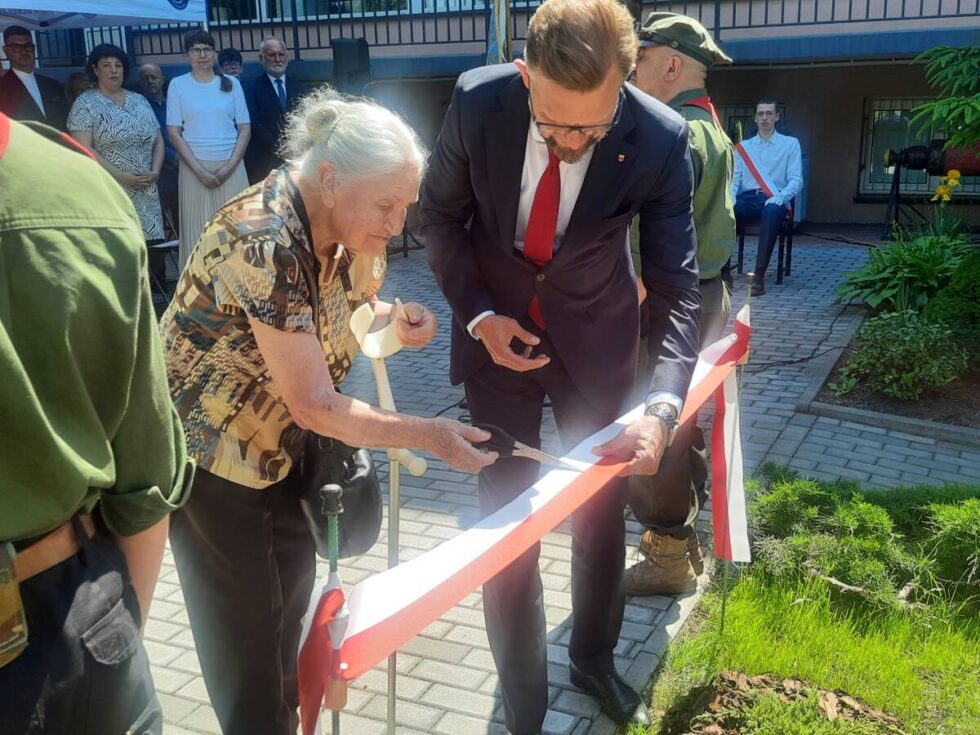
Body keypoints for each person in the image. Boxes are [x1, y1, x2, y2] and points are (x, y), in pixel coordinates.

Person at [160, 89, 495, 735]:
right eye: (386, 204)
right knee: (250, 659)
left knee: (287, 625)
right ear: (331, 178)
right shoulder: (260, 234)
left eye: (406, 205)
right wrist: (428, 434)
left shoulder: (344, 225)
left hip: (285, 453)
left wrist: (398, 320)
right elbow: (315, 401)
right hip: (215, 466)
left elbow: (347, 311)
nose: (398, 225)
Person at [419, 0, 701, 730]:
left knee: (600, 517)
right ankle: (523, 703)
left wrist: (662, 407)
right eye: (553, 124)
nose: (570, 142)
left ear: (626, 84)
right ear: (524, 75)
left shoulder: (661, 137)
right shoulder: (477, 102)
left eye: (592, 125)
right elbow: (440, 216)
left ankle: (593, 657)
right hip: (495, 340)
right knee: (505, 521)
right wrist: (479, 316)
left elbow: (676, 286)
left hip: (597, 343)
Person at [0, 111, 193, 735]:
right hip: (63, 618)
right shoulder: (77, 187)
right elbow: (145, 479)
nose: (393, 221)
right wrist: (116, 635)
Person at [626, 12, 736, 596]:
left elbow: (654, 241)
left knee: (655, 425)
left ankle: (666, 555)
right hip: (705, 294)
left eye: (639, 60)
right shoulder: (710, 127)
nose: (631, 70)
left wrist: (631, 300)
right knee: (683, 422)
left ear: (670, 64)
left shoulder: (676, 133)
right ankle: (683, 544)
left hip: (668, 301)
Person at [68, 44, 167, 289]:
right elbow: (84, 148)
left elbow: (159, 141)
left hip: (146, 190)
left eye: (118, 65)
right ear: (95, 69)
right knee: (119, 257)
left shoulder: (139, 100)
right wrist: (121, 176)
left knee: (150, 257)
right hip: (111, 190)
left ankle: (150, 308)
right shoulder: (85, 103)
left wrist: (155, 170)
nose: (114, 70)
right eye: (106, 65)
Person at [166, 30, 251, 271]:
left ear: (214, 54)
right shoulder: (177, 85)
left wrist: (229, 167)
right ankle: (198, 293)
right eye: (196, 50)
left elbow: (244, 129)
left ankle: (240, 285)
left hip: (231, 167)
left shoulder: (231, 83)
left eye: (207, 49)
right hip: (194, 168)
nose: (202, 55)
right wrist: (200, 171)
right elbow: (173, 132)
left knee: (237, 229)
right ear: (187, 56)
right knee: (198, 231)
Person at [731, 98, 803, 295]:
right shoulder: (743, 147)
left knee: (771, 212)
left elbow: (797, 180)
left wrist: (781, 197)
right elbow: (735, 181)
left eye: (769, 113)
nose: (764, 118)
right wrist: (730, 200)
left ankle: (759, 275)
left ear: (777, 117)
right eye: (760, 114)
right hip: (749, 198)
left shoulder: (790, 144)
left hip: (776, 199)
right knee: (727, 212)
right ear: (755, 118)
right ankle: (722, 272)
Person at [243, 37, 303, 184]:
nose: (277, 59)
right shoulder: (251, 88)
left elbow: (303, 119)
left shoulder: (299, 87)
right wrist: (280, 148)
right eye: (272, 55)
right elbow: (254, 122)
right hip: (262, 160)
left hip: (294, 159)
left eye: (281, 54)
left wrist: (293, 148)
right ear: (261, 58)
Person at [138, 63, 180, 239]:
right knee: (159, 230)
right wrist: (172, 156)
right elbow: (145, 138)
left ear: (162, 79)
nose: (150, 81)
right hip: (158, 176)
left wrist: (182, 155)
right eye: (145, 78)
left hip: (183, 172)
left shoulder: (176, 100)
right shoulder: (137, 106)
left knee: (183, 224)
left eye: (153, 77)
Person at [0, 25, 69, 130]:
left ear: (34, 48)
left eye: (28, 46)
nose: (24, 51)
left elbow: (66, 120)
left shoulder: (52, 85)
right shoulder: (2, 88)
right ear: (5, 51)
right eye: (16, 47)